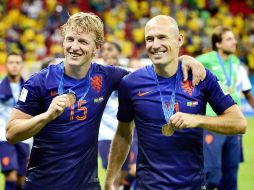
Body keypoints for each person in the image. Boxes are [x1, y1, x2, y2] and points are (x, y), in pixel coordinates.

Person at [5, 12, 206, 189]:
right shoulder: (40, 81)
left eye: (83, 42)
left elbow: (147, 78)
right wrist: (45, 117)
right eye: (70, 40)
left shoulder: (107, 77)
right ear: (63, 41)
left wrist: (181, 60)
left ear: (97, 48)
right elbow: (12, 133)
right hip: (43, 184)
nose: (74, 47)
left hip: (88, 185)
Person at [104, 15, 247, 190]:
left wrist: (198, 120)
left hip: (192, 186)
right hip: (148, 186)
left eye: (162, 37)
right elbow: (123, 134)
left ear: (179, 40)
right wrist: (110, 179)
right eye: (150, 39)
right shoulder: (131, 83)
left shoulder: (200, 77)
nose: (155, 45)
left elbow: (239, 123)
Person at [196, 26, 254, 190]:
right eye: (229, 39)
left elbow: (247, 93)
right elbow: (186, 67)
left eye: (234, 38)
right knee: (211, 175)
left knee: (231, 174)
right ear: (218, 43)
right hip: (213, 123)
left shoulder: (236, 63)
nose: (234, 42)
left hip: (233, 124)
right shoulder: (205, 59)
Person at [98, 41, 138, 189]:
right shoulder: (97, 75)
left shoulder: (128, 73)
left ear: (119, 53)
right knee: (113, 175)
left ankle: (124, 186)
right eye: (104, 50)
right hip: (106, 134)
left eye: (110, 49)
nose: (106, 52)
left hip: (127, 131)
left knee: (129, 172)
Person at [0, 52, 31, 190]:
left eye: (17, 63)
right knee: (10, 175)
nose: (14, 66)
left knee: (21, 179)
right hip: (4, 136)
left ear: (22, 65)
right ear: (6, 65)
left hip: (24, 137)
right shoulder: (0, 86)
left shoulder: (29, 88)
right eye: (11, 62)